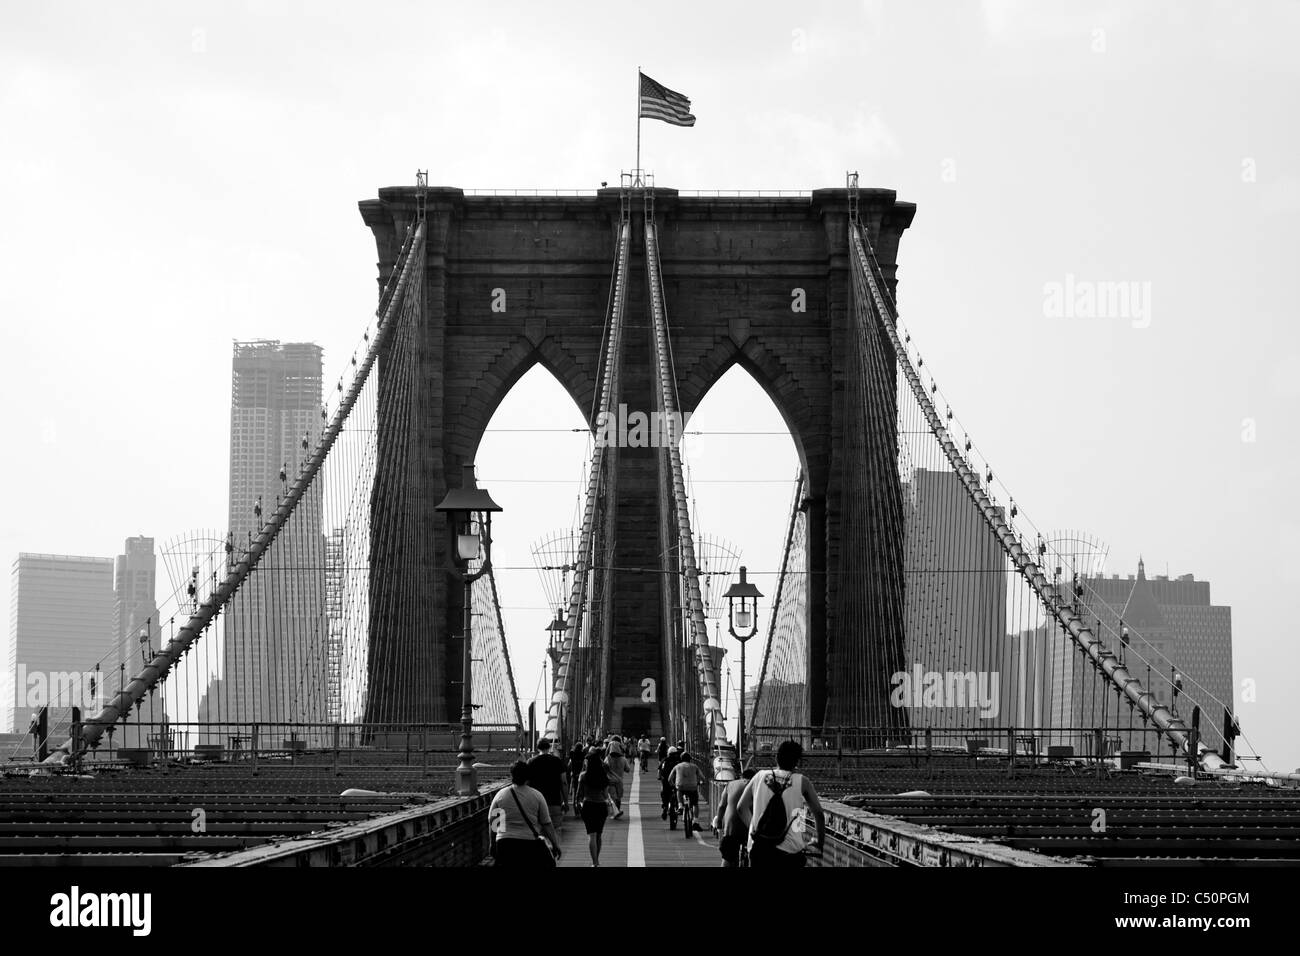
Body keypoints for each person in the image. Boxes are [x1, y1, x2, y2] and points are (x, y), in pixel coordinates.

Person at [737, 740, 825, 868]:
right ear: (797, 762)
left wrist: (755, 829)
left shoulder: (759, 776)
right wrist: (819, 842)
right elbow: (819, 814)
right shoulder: (802, 781)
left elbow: (741, 807)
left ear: (776, 757)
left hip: (759, 849)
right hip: (790, 852)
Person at [487, 760, 562, 867]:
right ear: (528, 776)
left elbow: (494, 822)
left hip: (505, 843)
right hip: (529, 844)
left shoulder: (501, 795)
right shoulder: (537, 796)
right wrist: (555, 844)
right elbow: (546, 823)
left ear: (511, 775)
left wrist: (492, 844)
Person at [576, 749, 612, 866]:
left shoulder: (583, 776)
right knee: (599, 834)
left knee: (591, 835)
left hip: (588, 806)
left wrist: (577, 804)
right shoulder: (604, 776)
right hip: (601, 806)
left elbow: (579, 794)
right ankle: (597, 860)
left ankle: (595, 862)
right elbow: (606, 795)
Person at [526, 738, 568, 834]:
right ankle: (555, 848)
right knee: (555, 831)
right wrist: (565, 801)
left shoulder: (531, 762)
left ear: (537, 748)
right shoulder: (557, 761)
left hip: (536, 804)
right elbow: (564, 782)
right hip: (555, 802)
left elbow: (526, 784)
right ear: (549, 747)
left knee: (538, 833)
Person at [718, 767, 758, 866]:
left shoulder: (730, 784)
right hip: (750, 827)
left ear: (741, 776)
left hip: (731, 828)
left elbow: (721, 806)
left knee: (727, 858)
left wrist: (719, 823)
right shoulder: (757, 785)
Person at [669, 751, 705, 832]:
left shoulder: (677, 766)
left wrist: (673, 785)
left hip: (681, 787)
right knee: (695, 804)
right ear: (690, 759)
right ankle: (695, 822)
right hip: (692, 787)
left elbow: (669, 779)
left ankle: (680, 806)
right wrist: (701, 783)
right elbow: (703, 778)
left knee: (679, 790)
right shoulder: (695, 766)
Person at [605, 738, 630, 818]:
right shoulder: (623, 759)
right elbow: (628, 769)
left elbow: (604, 767)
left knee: (613, 797)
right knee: (618, 797)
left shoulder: (608, 758)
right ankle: (617, 811)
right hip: (619, 780)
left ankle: (616, 812)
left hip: (610, 780)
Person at [659, 743, 682, 821]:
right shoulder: (679, 760)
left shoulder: (664, 761)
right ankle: (680, 805)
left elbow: (660, 770)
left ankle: (665, 806)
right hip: (677, 781)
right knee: (679, 792)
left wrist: (660, 777)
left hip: (666, 782)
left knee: (663, 792)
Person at [567, 742, 586, 816]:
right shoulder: (582, 755)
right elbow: (584, 765)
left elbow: (569, 765)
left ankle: (576, 808)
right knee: (581, 791)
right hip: (581, 775)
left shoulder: (572, 754)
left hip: (574, 775)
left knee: (575, 792)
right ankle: (580, 806)